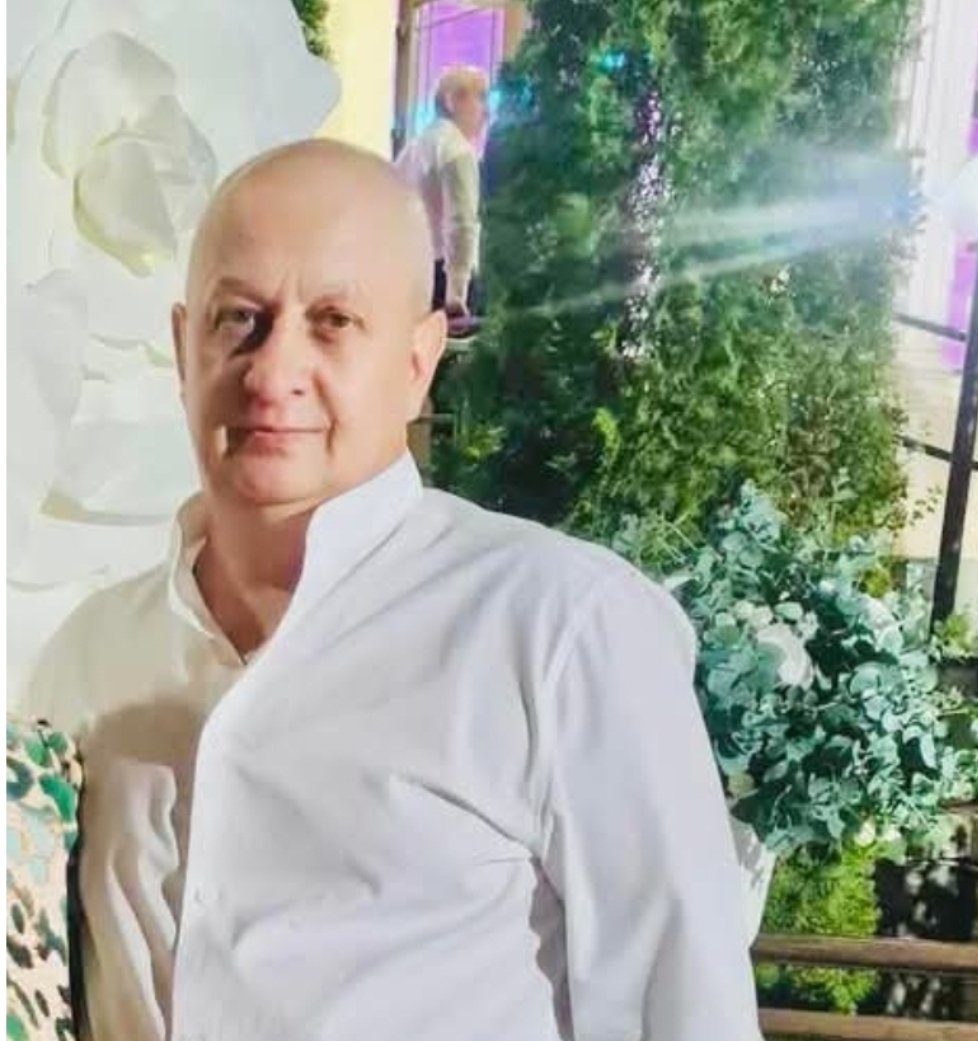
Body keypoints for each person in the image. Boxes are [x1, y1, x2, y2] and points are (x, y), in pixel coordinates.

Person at [26, 139, 762, 1041]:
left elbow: (684, 1014)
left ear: (419, 360)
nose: (272, 372)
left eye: (333, 320)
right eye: (239, 318)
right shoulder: (91, 657)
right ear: (183, 348)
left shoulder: (562, 628)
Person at [395, 65, 486, 325]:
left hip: (410, 273)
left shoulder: (412, 150)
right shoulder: (456, 150)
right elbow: (461, 223)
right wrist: (457, 292)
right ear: (452, 101)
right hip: (445, 278)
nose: (485, 111)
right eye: (480, 98)